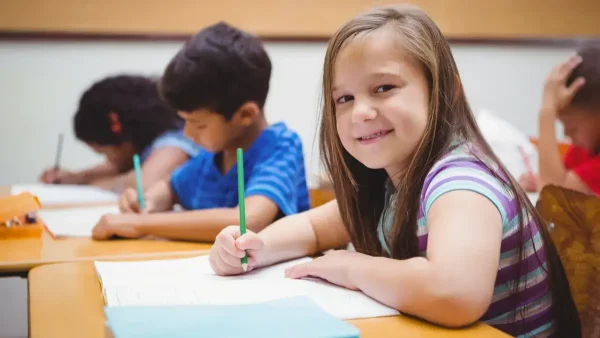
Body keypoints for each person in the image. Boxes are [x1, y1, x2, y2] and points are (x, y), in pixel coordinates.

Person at [207, 5, 580, 337]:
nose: (361, 112)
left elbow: (454, 292)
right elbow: (313, 227)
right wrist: (256, 247)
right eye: (345, 98)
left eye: (384, 88)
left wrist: (353, 267)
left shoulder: (461, 183)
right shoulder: (391, 182)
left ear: (444, 91)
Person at [91, 22, 310, 242]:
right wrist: (147, 203)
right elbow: (170, 187)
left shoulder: (281, 147)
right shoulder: (211, 157)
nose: (188, 134)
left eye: (199, 124)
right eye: (184, 122)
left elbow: (248, 220)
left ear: (245, 115)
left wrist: (140, 224)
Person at [39, 75, 200, 192]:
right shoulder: (150, 141)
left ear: (118, 131)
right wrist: (76, 177)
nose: (109, 161)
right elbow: (119, 167)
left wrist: (93, 183)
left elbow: (142, 183)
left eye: (104, 153)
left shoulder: (175, 142)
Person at [520, 46, 600, 195]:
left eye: (573, 128)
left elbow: (553, 195)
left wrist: (547, 111)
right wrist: (542, 179)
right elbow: (558, 179)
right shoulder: (585, 149)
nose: (566, 134)